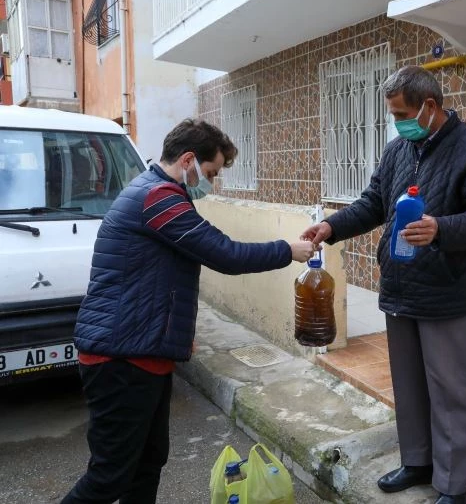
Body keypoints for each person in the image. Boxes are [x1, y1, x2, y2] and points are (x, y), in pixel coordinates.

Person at [61, 119, 318, 504]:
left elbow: (162, 277)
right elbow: (223, 253)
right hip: (120, 357)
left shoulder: (154, 193)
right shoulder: (159, 198)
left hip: (141, 350)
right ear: (187, 160)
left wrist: (176, 334)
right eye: (211, 172)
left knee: (148, 462)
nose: (210, 182)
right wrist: (287, 250)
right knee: (108, 477)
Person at [301, 66, 466, 504]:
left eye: (402, 113)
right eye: (393, 115)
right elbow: (373, 203)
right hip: (401, 286)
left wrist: (440, 229)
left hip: (449, 291)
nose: (397, 122)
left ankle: (454, 487)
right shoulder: (398, 150)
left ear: (430, 107)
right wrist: (330, 228)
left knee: (452, 390)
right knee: (409, 384)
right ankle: (417, 462)